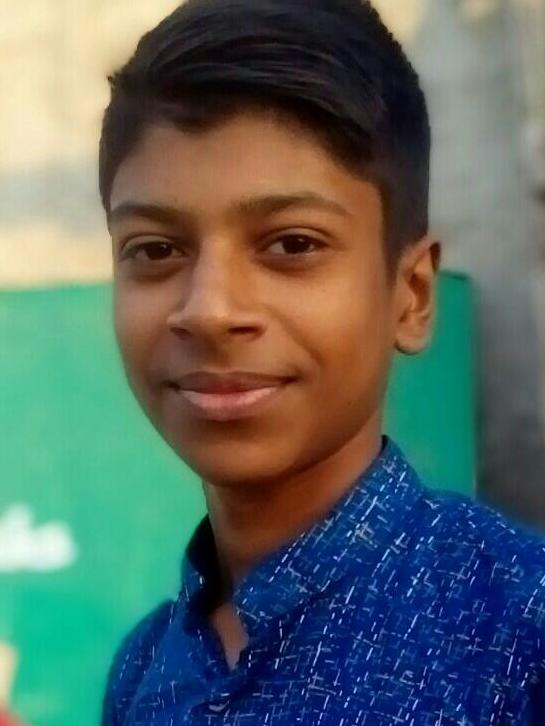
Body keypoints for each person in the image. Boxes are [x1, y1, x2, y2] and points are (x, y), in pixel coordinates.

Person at [99, 0, 545, 723]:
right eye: (155, 249)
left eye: (292, 244)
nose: (209, 311)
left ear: (410, 295)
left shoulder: (519, 631)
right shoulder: (145, 670)